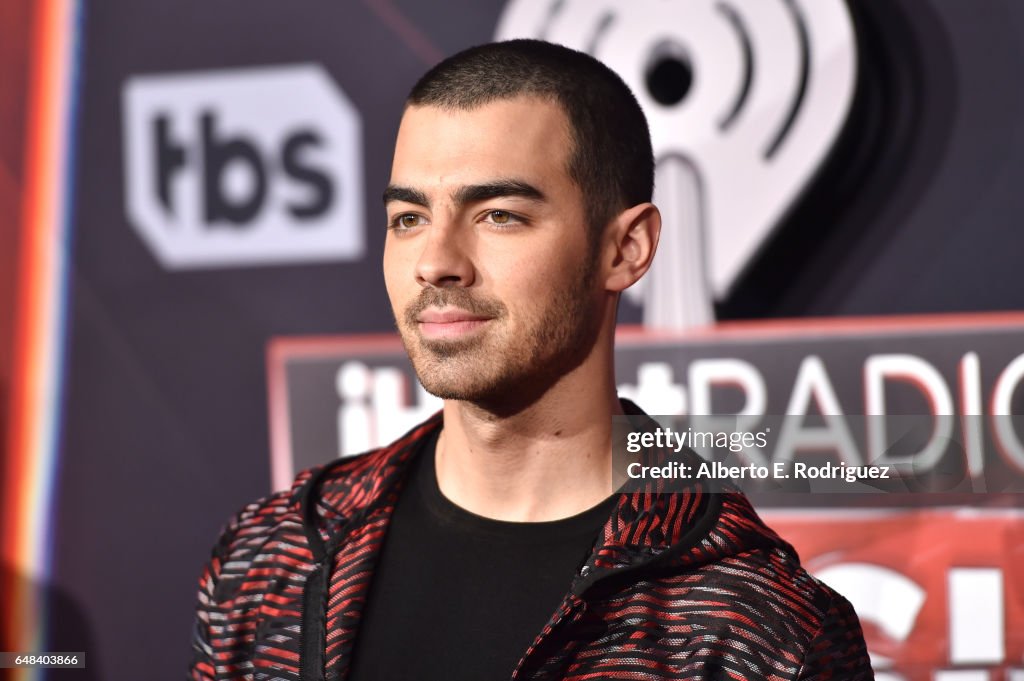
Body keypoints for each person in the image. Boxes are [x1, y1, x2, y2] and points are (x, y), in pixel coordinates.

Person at [189, 39, 873, 681]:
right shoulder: (274, 554)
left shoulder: (754, 627)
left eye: (499, 215)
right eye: (409, 218)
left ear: (625, 248)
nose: (436, 261)